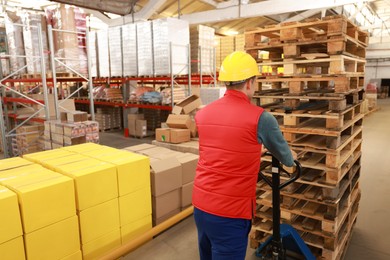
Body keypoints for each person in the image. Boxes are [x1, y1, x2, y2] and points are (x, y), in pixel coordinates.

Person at [192, 51, 295, 260]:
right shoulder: (261, 118)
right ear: (249, 83)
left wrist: (254, 149)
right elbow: (287, 159)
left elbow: (223, 147)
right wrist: (291, 153)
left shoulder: (203, 113)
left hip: (201, 206)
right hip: (230, 213)